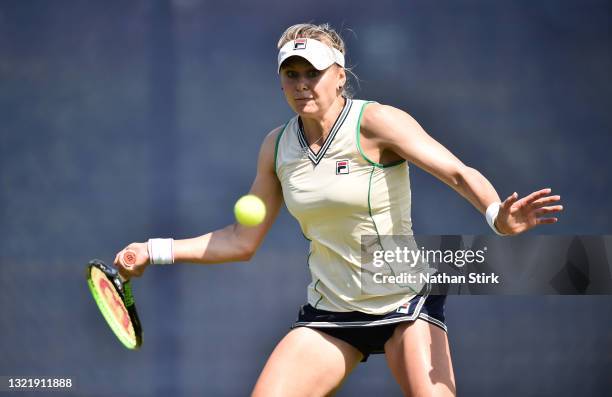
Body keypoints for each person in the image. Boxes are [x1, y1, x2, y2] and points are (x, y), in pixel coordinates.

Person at [114, 23, 563, 396]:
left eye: (313, 72)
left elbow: (457, 172)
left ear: (340, 75)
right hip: (332, 312)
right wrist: (154, 250)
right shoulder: (276, 146)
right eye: (291, 73)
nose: (302, 83)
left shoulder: (375, 122)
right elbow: (241, 240)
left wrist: (495, 217)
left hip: (403, 303)